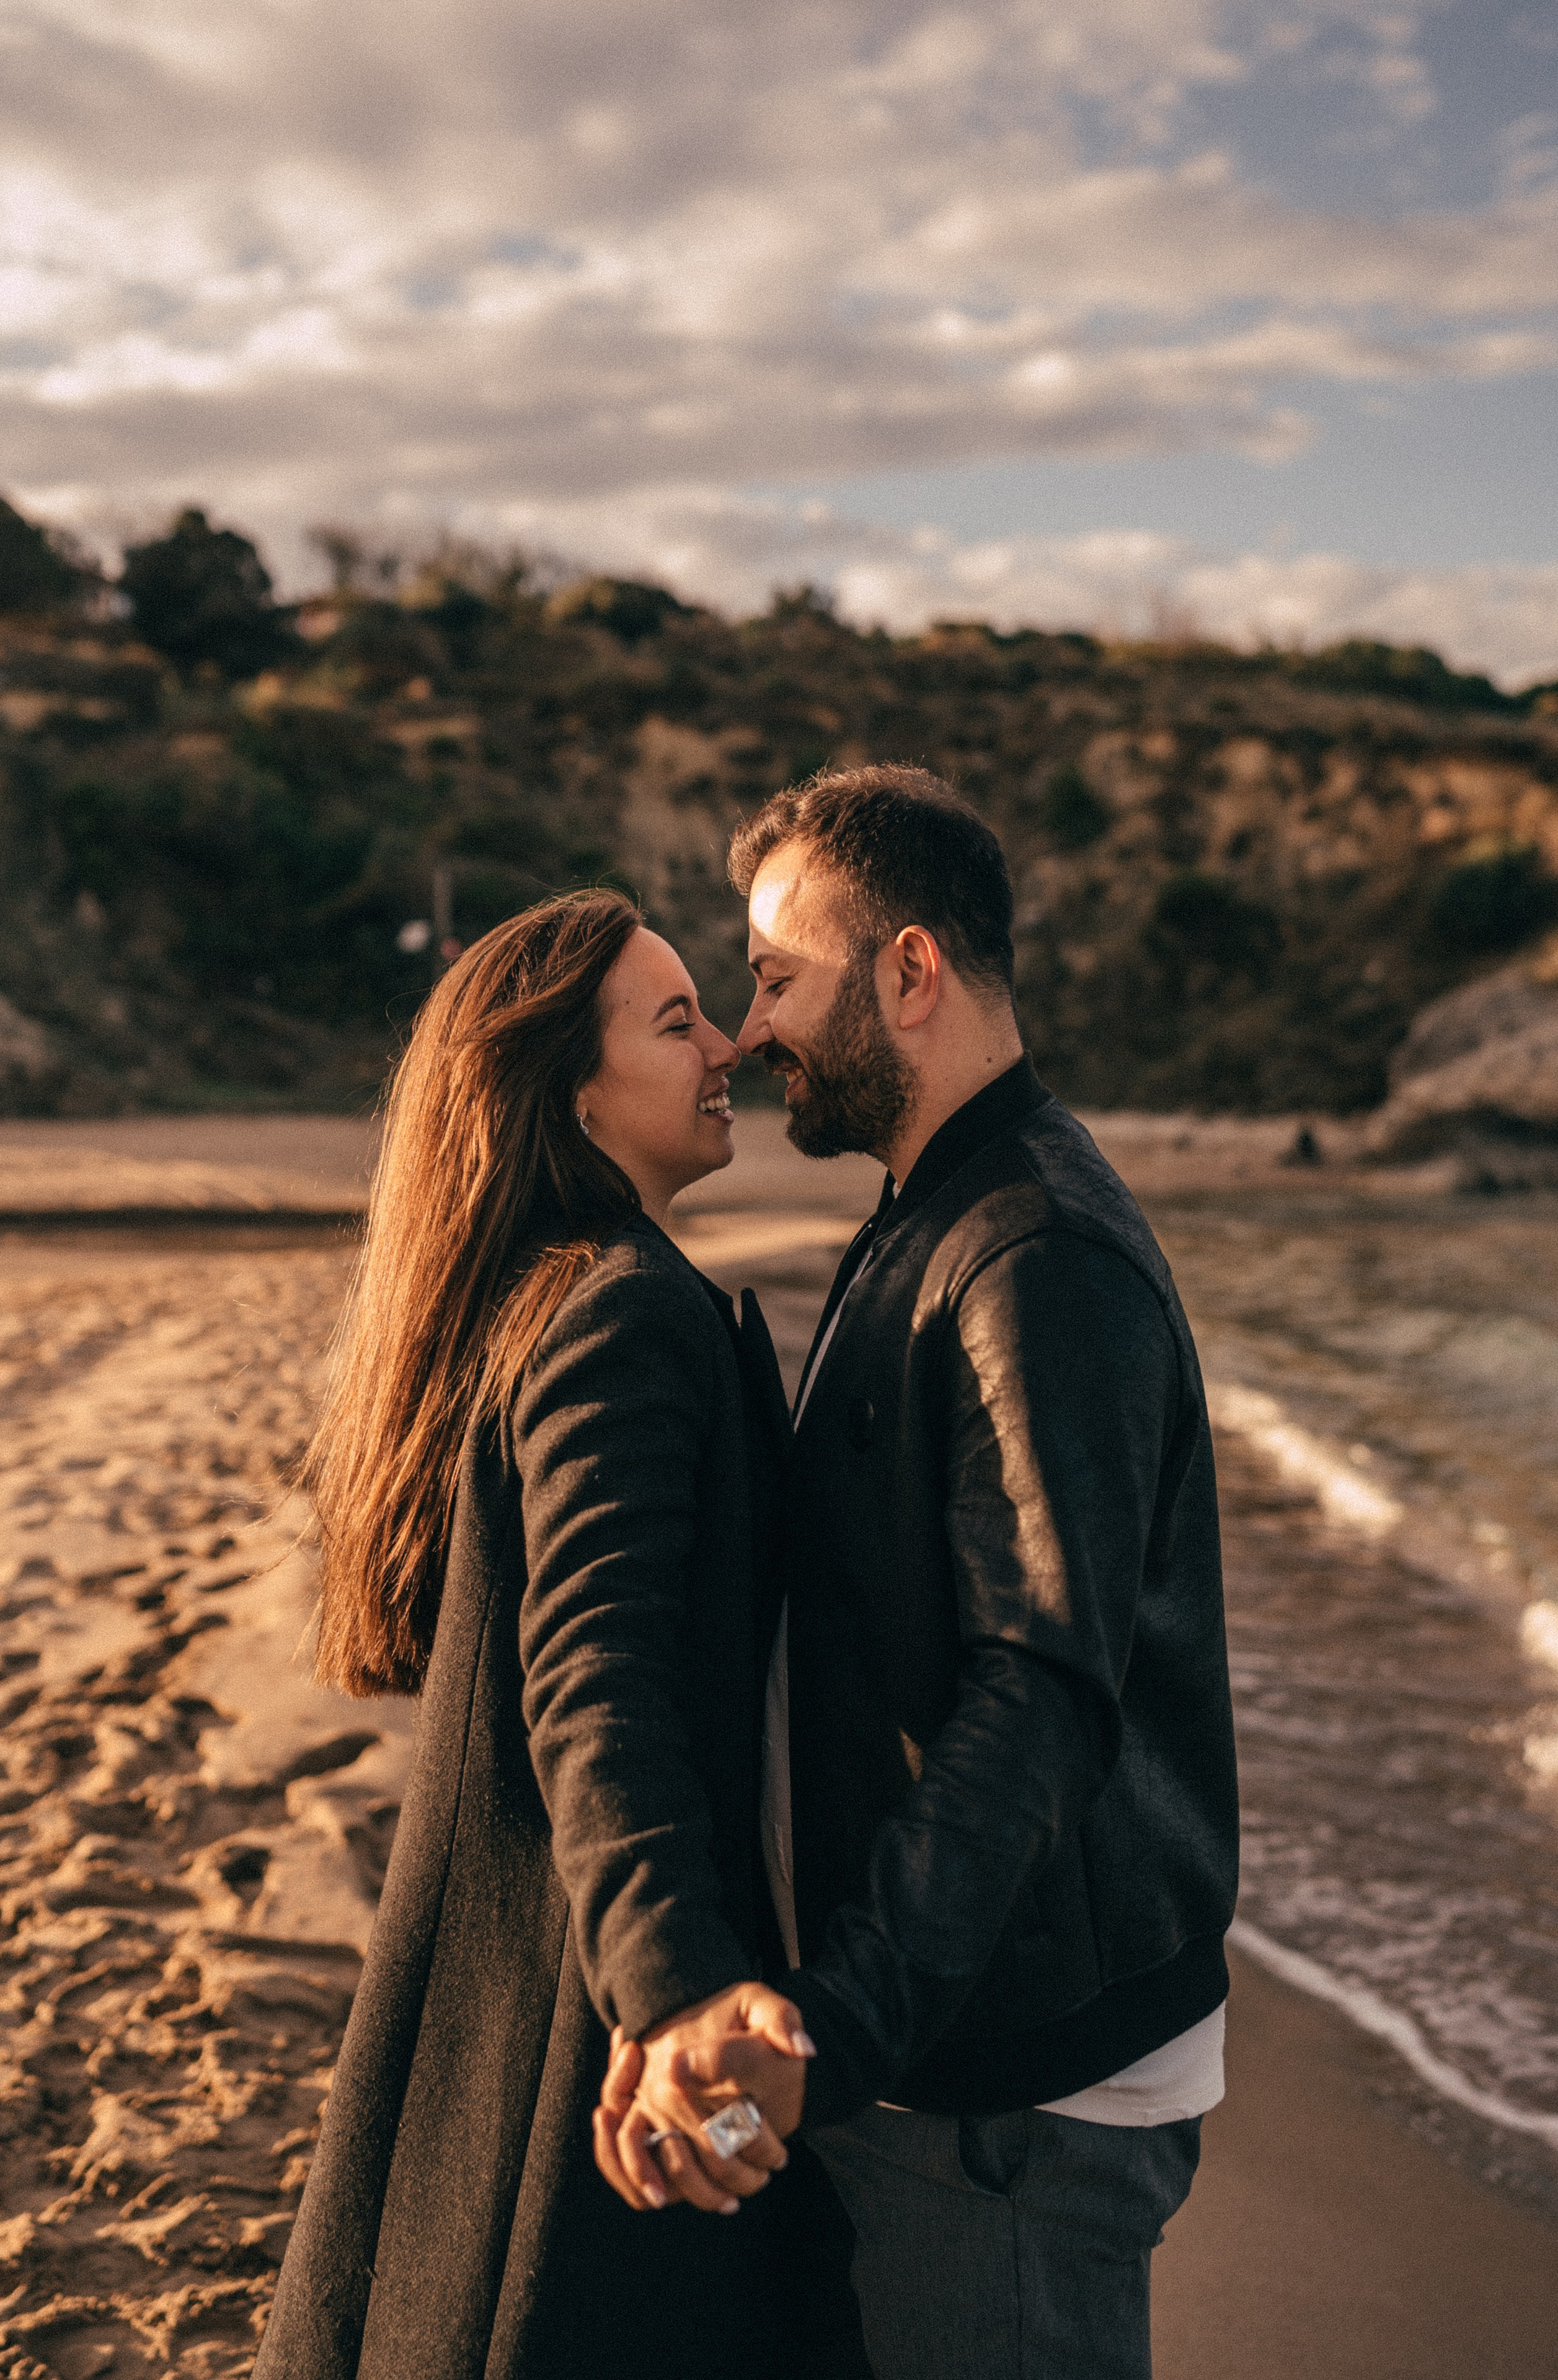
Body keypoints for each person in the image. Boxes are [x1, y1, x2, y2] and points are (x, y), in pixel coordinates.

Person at [596, 769, 1240, 2380]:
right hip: (950, 2050)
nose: (747, 1032)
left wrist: (839, 2025)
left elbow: (1044, 1688)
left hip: (1016, 2094)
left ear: (911, 972)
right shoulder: (928, 1213)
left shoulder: (1034, 1257)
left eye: (775, 979)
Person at [255, 890, 857, 2380]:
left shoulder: (546, 1299)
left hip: (530, 1965)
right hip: (578, 2012)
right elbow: (595, 1680)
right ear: (573, 1093)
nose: (726, 1044)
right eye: (675, 1023)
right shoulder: (619, 1315)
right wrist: (675, 1993)